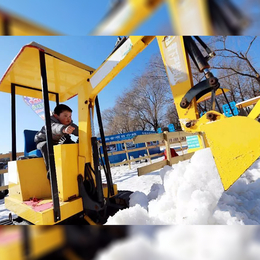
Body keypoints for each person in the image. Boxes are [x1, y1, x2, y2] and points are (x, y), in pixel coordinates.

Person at [34, 104, 78, 179]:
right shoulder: (50, 123)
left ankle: (75, 168)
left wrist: (84, 134)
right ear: (56, 116)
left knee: (70, 143)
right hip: (43, 141)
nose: (68, 119)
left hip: (56, 142)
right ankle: (52, 171)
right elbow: (55, 128)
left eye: (70, 116)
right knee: (46, 146)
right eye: (65, 116)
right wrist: (64, 129)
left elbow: (78, 130)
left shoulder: (69, 124)